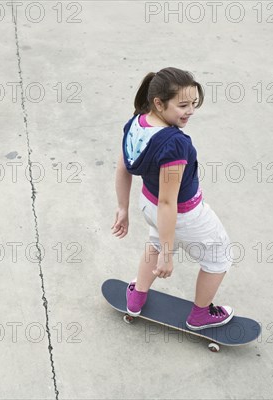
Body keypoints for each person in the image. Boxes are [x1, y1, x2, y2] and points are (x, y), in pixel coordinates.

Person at [111, 67, 234, 331]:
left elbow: (122, 168)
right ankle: (200, 315)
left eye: (193, 103)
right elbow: (170, 203)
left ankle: (136, 297)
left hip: (148, 204)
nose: (190, 111)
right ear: (159, 102)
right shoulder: (174, 144)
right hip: (184, 215)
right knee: (219, 256)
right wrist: (169, 255)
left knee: (155, 242)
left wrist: (123, 207)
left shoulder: (137, 122)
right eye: (182, 105)